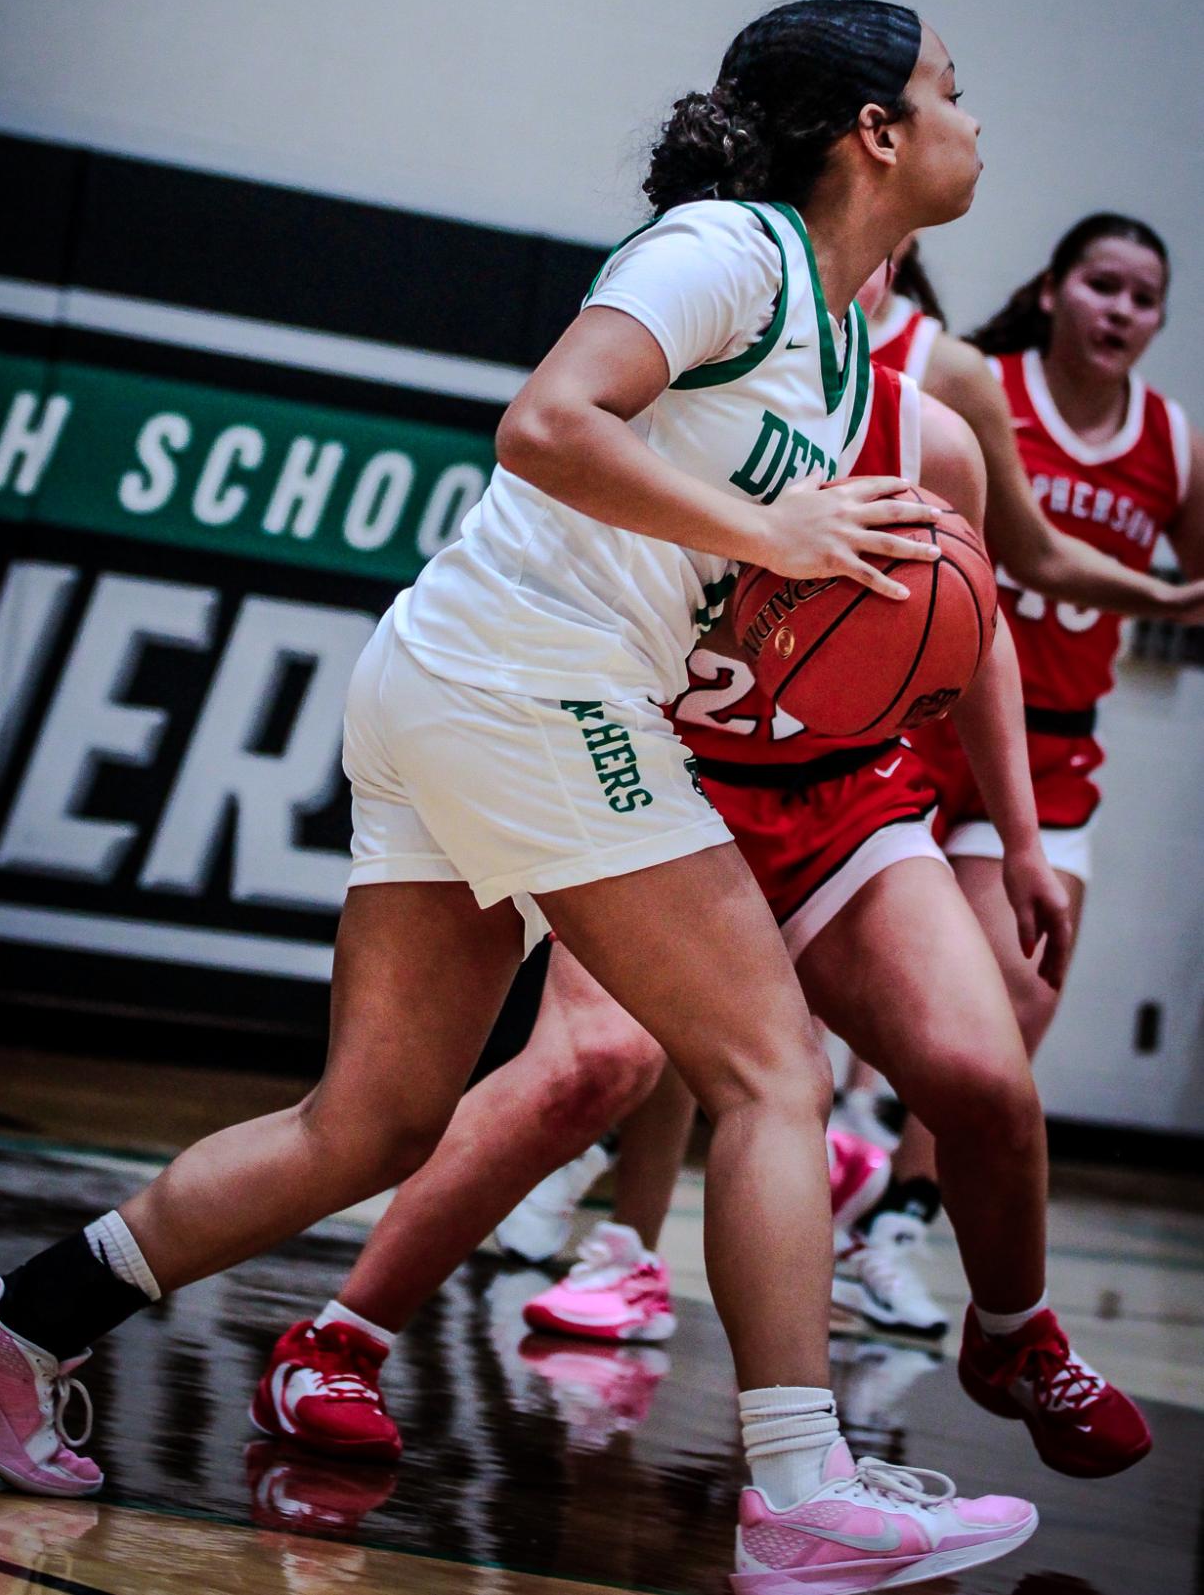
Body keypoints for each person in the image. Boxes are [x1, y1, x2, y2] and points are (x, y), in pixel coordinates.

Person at [0, 0, 1040, 1588]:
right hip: (526, 682)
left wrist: (776, 619)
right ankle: (799, 1492)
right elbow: (544, 423)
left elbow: (691, 551)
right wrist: (777, 539)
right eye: (950, 93)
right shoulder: (729, 249)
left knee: (369, 1118)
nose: (976, 123)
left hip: (477, 680)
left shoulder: (845, 351)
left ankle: (14, 1322)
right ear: (873, 132)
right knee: (770, 1068)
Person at [251, 355, 1150, 1486]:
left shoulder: (930, 439)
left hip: (842, 800)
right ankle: (339, 1339)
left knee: (981, 1076)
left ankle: (1014, 1334)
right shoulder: (678, 409)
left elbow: (970, 626)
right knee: (592, 1064)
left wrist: (1019, 838)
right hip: (664, 785)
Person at [834, 223, 1204, 1336]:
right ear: (1049, 290)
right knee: (857, 975)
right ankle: (828, 1135)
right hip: (915, 716)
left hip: (1049, 747)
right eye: (1100, 284)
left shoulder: (1172, 448)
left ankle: (894, 1218)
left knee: (1013, 1002)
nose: (1117, 310)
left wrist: (1166, 604)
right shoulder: (974, 386)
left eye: (1142, 297)